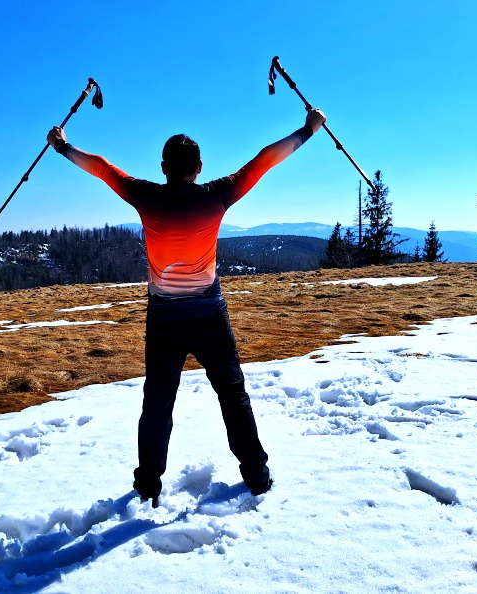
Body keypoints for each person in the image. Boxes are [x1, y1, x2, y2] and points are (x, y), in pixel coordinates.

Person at [46, 108, 326, 503]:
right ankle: (257, 476)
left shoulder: (147, 197)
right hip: (210, 315)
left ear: (163, 167)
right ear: (198, 167)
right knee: (232, 395)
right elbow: (265, 159)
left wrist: (62, 146)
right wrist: (307, 130)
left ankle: (148, 485)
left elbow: (103, 169)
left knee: (158, 403)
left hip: (164, 319)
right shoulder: (217, 195)